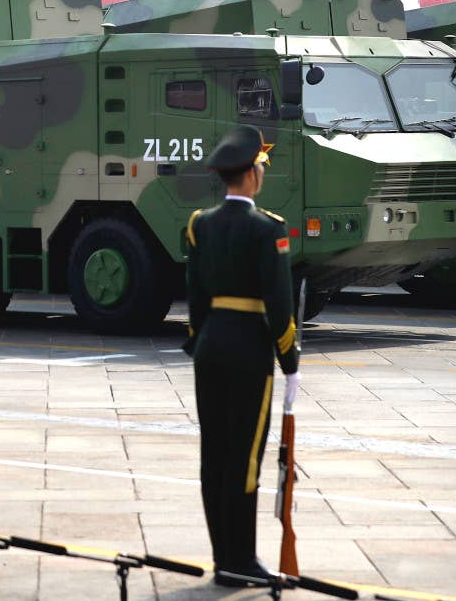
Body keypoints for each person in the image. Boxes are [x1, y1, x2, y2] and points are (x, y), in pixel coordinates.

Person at [183, 125, 301, 586]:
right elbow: (279, 303)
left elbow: (194, 296)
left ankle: (222, 557)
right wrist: (288, 358)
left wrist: (198, 339)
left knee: (213, 453)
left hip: (210, 346)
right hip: (250, 349)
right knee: (246, 455)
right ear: (251, 175)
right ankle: (243, 560)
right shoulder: (268, 228)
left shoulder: (200, 224)